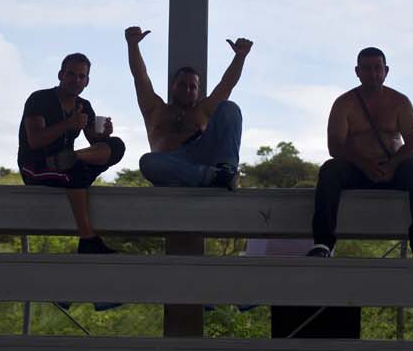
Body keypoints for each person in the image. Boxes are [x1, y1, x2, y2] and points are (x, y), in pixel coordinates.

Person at [309, 47, 413, 258]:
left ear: (386, 70)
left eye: (377, 68)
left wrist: (392, 165)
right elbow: (335, 146)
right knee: (330, 170)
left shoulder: (400, 102)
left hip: (392, 170)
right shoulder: (344, 103)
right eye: (366, 68)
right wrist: (364, 164)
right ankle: (323, 244)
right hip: (356, 171)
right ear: (357, 72)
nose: (373, 73)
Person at [19, 53, 126, 253]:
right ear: (61, 75)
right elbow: (35, 141)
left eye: (81, 76)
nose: (76, 80)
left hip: (68, 163)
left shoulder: (84, 106)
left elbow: (96, 144)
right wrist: (68, 124)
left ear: (87, 81)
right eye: (71, 74)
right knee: (77, 174)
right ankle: (88, 239)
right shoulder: (39, 99)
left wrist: (104, 135)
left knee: (117, 145)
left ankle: (73, 158)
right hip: (36, 167)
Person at [125, 26, 251, 188]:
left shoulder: (203, 110)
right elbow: (140, 77)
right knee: (148, 162)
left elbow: (227, 84)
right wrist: (133, 45)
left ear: (198, 92)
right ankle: (211, 177)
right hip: (171, 164)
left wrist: (240, 57)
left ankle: (226, 170)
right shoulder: (155, 109)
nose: (187, 90)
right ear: (173, 86)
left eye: (192, 87)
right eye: (182, 85)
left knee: (229, 108)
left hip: (203, 156)